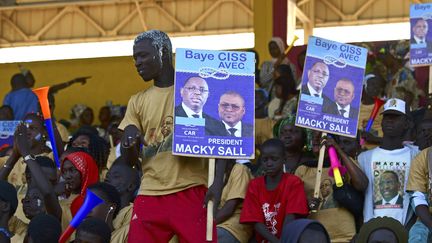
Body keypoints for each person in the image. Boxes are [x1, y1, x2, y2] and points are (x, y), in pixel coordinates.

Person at [119, 30, 226, 242]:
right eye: (135, 58)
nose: (137, 63)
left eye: (143, 55)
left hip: (191, 189)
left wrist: (217, 183)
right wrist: (129, 144)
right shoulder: (137, 101)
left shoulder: (197, 90)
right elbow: (130, 160)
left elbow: (223, 140)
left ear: (164, 52)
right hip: (150, 191)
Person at [358, 98, 418, 225]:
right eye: (387, 116)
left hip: (404, 229)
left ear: (406, 124)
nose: (390, 120)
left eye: (396, 117)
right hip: (373, 230)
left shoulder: (416, 156)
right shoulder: (364, 158)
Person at [240, 139, 308, 242]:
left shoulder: (293, 182)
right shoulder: (254, 185)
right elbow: (255, 221)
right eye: (265, 160)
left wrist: (282, 240)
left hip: (289, 239)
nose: (269, 163)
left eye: (274, 159)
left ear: (284, 159)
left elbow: (291, 215)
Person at [216, 160, 253, 243]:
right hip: (220, 225)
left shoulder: (240, 169)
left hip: (233, 229)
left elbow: (229, 208)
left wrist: (206, 225)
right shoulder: (222, 174)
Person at [104, 158, 140, 243]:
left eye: (116, 176)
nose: (107, 178)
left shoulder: (133, 213)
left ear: (131, 186)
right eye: (108, 175)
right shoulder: (101, 208)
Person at [61, 151, 99, 216]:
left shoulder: (96, 201)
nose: (67, 176)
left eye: (72, 170)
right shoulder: (63, 199)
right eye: (64, 171)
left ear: (85, 171)